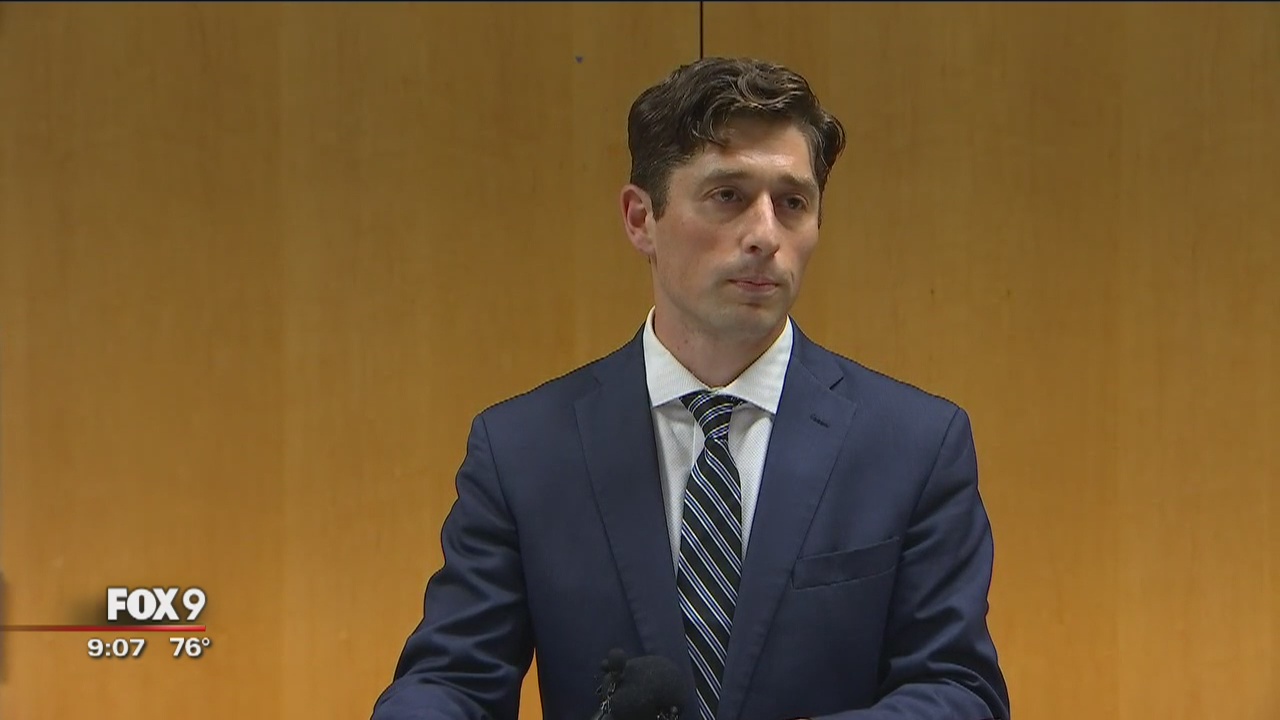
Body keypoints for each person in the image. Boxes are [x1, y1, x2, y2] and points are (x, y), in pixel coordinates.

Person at [370, 57, 1011, 720]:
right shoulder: (525, 450)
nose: (765, 234)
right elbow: (453, 680)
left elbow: (957, 691)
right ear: (640, 217)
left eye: (793, 202)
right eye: (728, 196)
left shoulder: (913, 445)